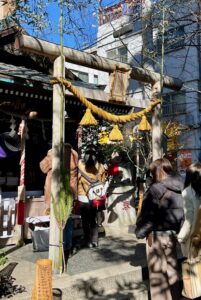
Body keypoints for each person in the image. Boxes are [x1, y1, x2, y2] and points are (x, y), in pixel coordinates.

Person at [135, 158, 184, 300]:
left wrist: (140, 232)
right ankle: (175, 297)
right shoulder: (181, 186)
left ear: (157, 171)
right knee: (172, 270)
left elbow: (148, 216)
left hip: (155, 235)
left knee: (157, 274)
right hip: (172, 234)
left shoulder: (155, 189)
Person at [40, 143, 78, 268]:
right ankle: (66, 246)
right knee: (67, 220)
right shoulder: (73, 154)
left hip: (54, 192)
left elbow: (43, 167)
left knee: (55, 220)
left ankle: (56, 247)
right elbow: (75, 175)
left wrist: (49, 155)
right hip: (69, 191)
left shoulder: (53, 153)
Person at [78, 145, 105, 248]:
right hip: (95, 197)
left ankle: (87, 240)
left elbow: (77, 180)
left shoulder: (80, 165)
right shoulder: (100, 166)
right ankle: (95, 241)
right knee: (93, 219)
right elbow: (102, 182)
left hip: (83, 195)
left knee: (85, 220)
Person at [177, 163, 201, 258]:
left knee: (194, 269)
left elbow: (189, 219)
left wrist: (181, 237)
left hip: (195, 237)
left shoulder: (187, 192)